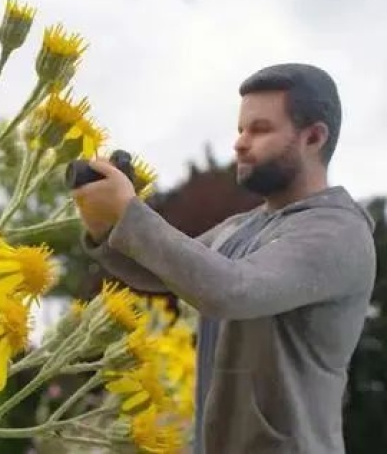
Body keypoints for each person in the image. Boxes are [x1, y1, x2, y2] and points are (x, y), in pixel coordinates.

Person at [72, 63, 376, 454]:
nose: (240, 143)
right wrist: (105, 225)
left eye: (260, 129)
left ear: (314, 137)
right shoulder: (242, 226)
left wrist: (132, 213)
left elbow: (230, 290)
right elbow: (166, 273)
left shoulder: (337, 232)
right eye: (240, 129)